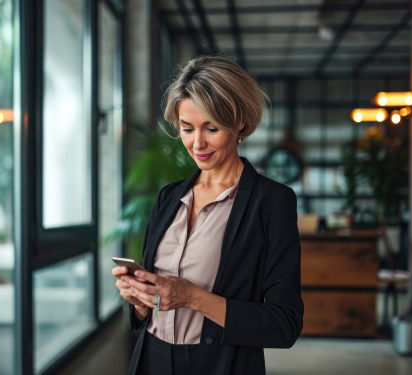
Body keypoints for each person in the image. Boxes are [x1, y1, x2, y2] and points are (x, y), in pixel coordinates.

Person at [112, 56, 304, 375]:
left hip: (220, 365)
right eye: (187, 128)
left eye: (211, 128)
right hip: (150, 359)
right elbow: (152, 308)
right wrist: (141, 299)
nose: (197, 143)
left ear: (240, 123)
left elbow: (284, 324)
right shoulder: (169, 197)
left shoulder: (272, 202)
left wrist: (193, 297)